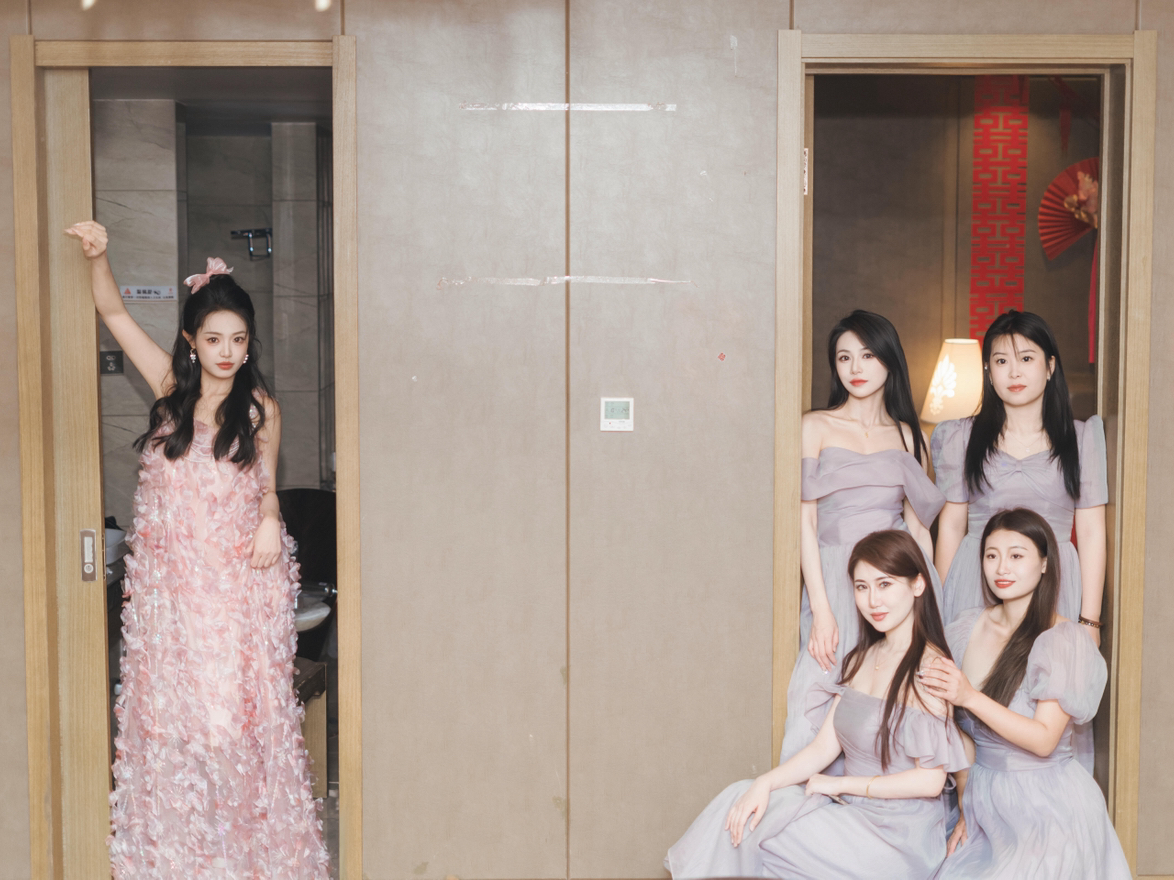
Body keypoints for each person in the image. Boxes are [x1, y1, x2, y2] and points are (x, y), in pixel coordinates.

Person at [67, 221, 330, 879]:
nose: (227, 352)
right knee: (174, 727)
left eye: (239, 340)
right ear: (191, 340)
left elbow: (266, 490)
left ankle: (242, 857)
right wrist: (100, 256)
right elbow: (112, 313)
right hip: (172, 596)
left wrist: (269, 518)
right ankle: (180, 857)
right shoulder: (169, 390)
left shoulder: (261, 408)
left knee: (228, 727)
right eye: (214, 339)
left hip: (235, 594)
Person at [665, 530, 968, 879]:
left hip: (898, 833)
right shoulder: (863, 658)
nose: (873, 600)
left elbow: (930, 782)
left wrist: (839, 785)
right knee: (742, 799)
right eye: (862, 587)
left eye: (885, 584)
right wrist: (764, 782)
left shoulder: (930, 669)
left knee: (765, 835)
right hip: (850, 813)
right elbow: (824, 747)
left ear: (917, 584)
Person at [922, 508, 1129, 879]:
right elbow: (956, 729)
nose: (1002, 567)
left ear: (1045, 563)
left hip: (1045, 804)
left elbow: (1044, 740)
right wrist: (967, 804)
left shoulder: (1062, 640)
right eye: (991, 555)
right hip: (983, 798)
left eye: (1016, 555)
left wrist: (969, 696)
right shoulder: (965, 627)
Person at [781, 310, 945, 762]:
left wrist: (928, 600)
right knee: (819, 691)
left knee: (900, 694)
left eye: (868, 355)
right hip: (836, 576)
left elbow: (918, 528)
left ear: (889, 359)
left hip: (896, 578)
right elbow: (805, 522)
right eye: (844, 357)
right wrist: (821, 608)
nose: (855, 368)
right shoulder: (814, 426)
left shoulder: (910, 437)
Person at [932, 310, 1107, 636]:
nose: (1014, 372)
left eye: (1026, 358)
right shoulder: (962, 437)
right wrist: (936, 617)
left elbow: (1091, 532)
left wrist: (1090, 620)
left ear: (1050, 366)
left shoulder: (1082, 438)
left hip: (1053, 582)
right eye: (1001, 361)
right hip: (978, 581)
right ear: (988, 371)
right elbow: (952, 528)